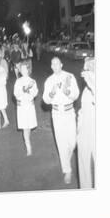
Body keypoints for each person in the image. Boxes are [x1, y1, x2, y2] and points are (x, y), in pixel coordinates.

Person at [43, 56, 80, 184]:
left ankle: (66, 160)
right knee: (61, 142)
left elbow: (76, 95)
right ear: (51, 66)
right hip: (57, 113)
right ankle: (67, 170)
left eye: (57, 63)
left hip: (69, 112)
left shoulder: (69, 76)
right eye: (52, 64)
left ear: (61, 65)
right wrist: (52, 93)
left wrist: (67, 92)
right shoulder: (49, 81)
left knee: (73, 142)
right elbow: (45, 100)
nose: (55, 66)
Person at [77, 57, 96, 189]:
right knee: (83, 162)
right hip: (84, 127)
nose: (85, 70)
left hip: (95, 129)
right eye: (85, 67)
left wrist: (92, 82)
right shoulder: (86, 88)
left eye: (88, 67)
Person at [14, 60, 38, 155]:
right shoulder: (18, 81)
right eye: (22, 69)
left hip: (29, 105)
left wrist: (30, 91)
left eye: (25, 69)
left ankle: (28, 141)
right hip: (22, 106)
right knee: (25, 127)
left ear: (28, 70)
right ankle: (28, 147)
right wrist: (24, 89)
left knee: (29, 126)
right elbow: (16, 94)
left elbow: (35, 93)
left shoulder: (32, 81)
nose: (23, 71)